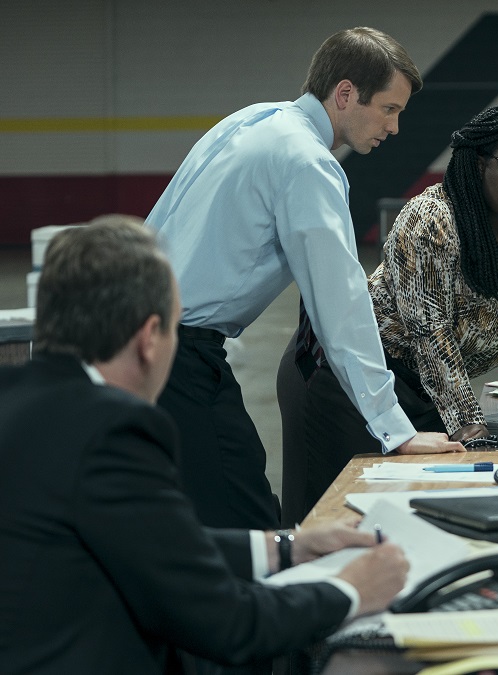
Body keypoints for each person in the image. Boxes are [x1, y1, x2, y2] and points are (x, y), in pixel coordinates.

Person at [0, 220, 410, 673]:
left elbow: (149, 542)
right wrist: (352, 589)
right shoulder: (112, 429)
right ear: (149, 338)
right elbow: (227, 624)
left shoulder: (19, 399)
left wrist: (287, 547)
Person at [145, 27, 462, 532]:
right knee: (246, 514)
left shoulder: (254, 120)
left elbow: (159, 222)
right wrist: (395, 430)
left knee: (185, 510)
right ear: (345, 94)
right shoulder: (307, 162)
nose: (395, 127)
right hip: (179, 357)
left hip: (143, 339)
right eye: (389, 109)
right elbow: (341, 304)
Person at [279, 105, 498, 521]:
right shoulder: (432, 221)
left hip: (428, 389)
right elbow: (430, 335)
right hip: (347, 381)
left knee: (414, 513)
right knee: (337, 516)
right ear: (477, 162)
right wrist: (472, 431)